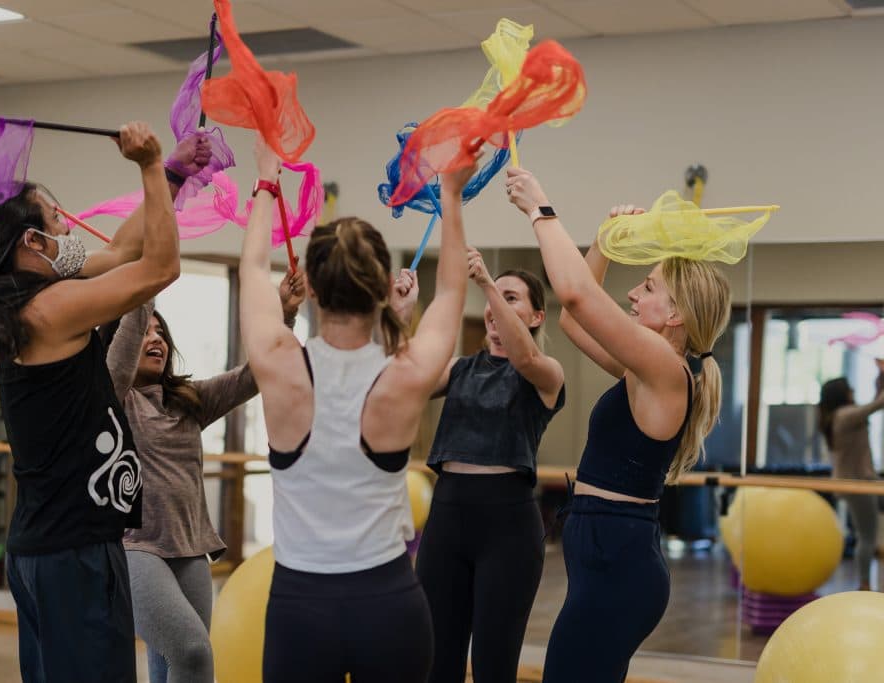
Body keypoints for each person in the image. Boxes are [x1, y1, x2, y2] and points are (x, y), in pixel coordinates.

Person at [0, 122, 209, 682]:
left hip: (59, 547)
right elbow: (159, 268)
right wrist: (145, 167)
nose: (68, 227)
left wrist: (169, 174)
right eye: (57, 220)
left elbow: (125, 248)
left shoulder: (28, 297)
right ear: (31, 243)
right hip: (69, 552)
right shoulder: (48, 310)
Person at [239, 134, 475, 682]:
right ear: (380, 291)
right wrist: (452, 197)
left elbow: (252, 270)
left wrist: (267, 182)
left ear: (313, 292)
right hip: (388, 607)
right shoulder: (407, 373)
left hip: (300, 610)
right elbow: (451, 295)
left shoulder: (277, 361)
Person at [505, 168, 731, 682]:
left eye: (648, 287)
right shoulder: (646, 370)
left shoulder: (665, 371)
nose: (633, 293)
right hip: (606, 559)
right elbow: (570, 317)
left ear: (675, 315)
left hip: (619, 568)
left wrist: (541, 209)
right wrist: (604, 243)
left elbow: (579, 297)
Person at [101, 272, 305, 683]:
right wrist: (147, 284)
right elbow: (120, 356)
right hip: (136, 548)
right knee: (194, 652)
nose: (154, 338)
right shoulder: (113, 396)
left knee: (172, 665)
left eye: (161, 332)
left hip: (190, 547)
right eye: (144, 331)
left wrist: (285, 314)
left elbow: (254, 374)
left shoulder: (190, 400)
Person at [409, 248, 565, 683]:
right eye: (497, 298)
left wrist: (486, 285)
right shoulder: (459, 368)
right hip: (448, 519)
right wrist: (401, 311)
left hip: (508, 528)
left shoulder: (545, 373)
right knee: (438, 661)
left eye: (511, 297)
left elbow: (526, 359)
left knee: (495, 665)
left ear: (535, 317)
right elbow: (406, 376)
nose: (498, 305)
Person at [819, 360, 884, 591]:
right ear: (841, 394)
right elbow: (877, 405)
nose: (853, 391)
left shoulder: (839, 416)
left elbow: (874, 403)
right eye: (850, 388)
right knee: (867, 537)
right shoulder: (844, 415)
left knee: (865, 535)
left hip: (865, 481)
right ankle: (864, 585)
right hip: (858, 484)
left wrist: (879, 382)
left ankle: (865, 583)